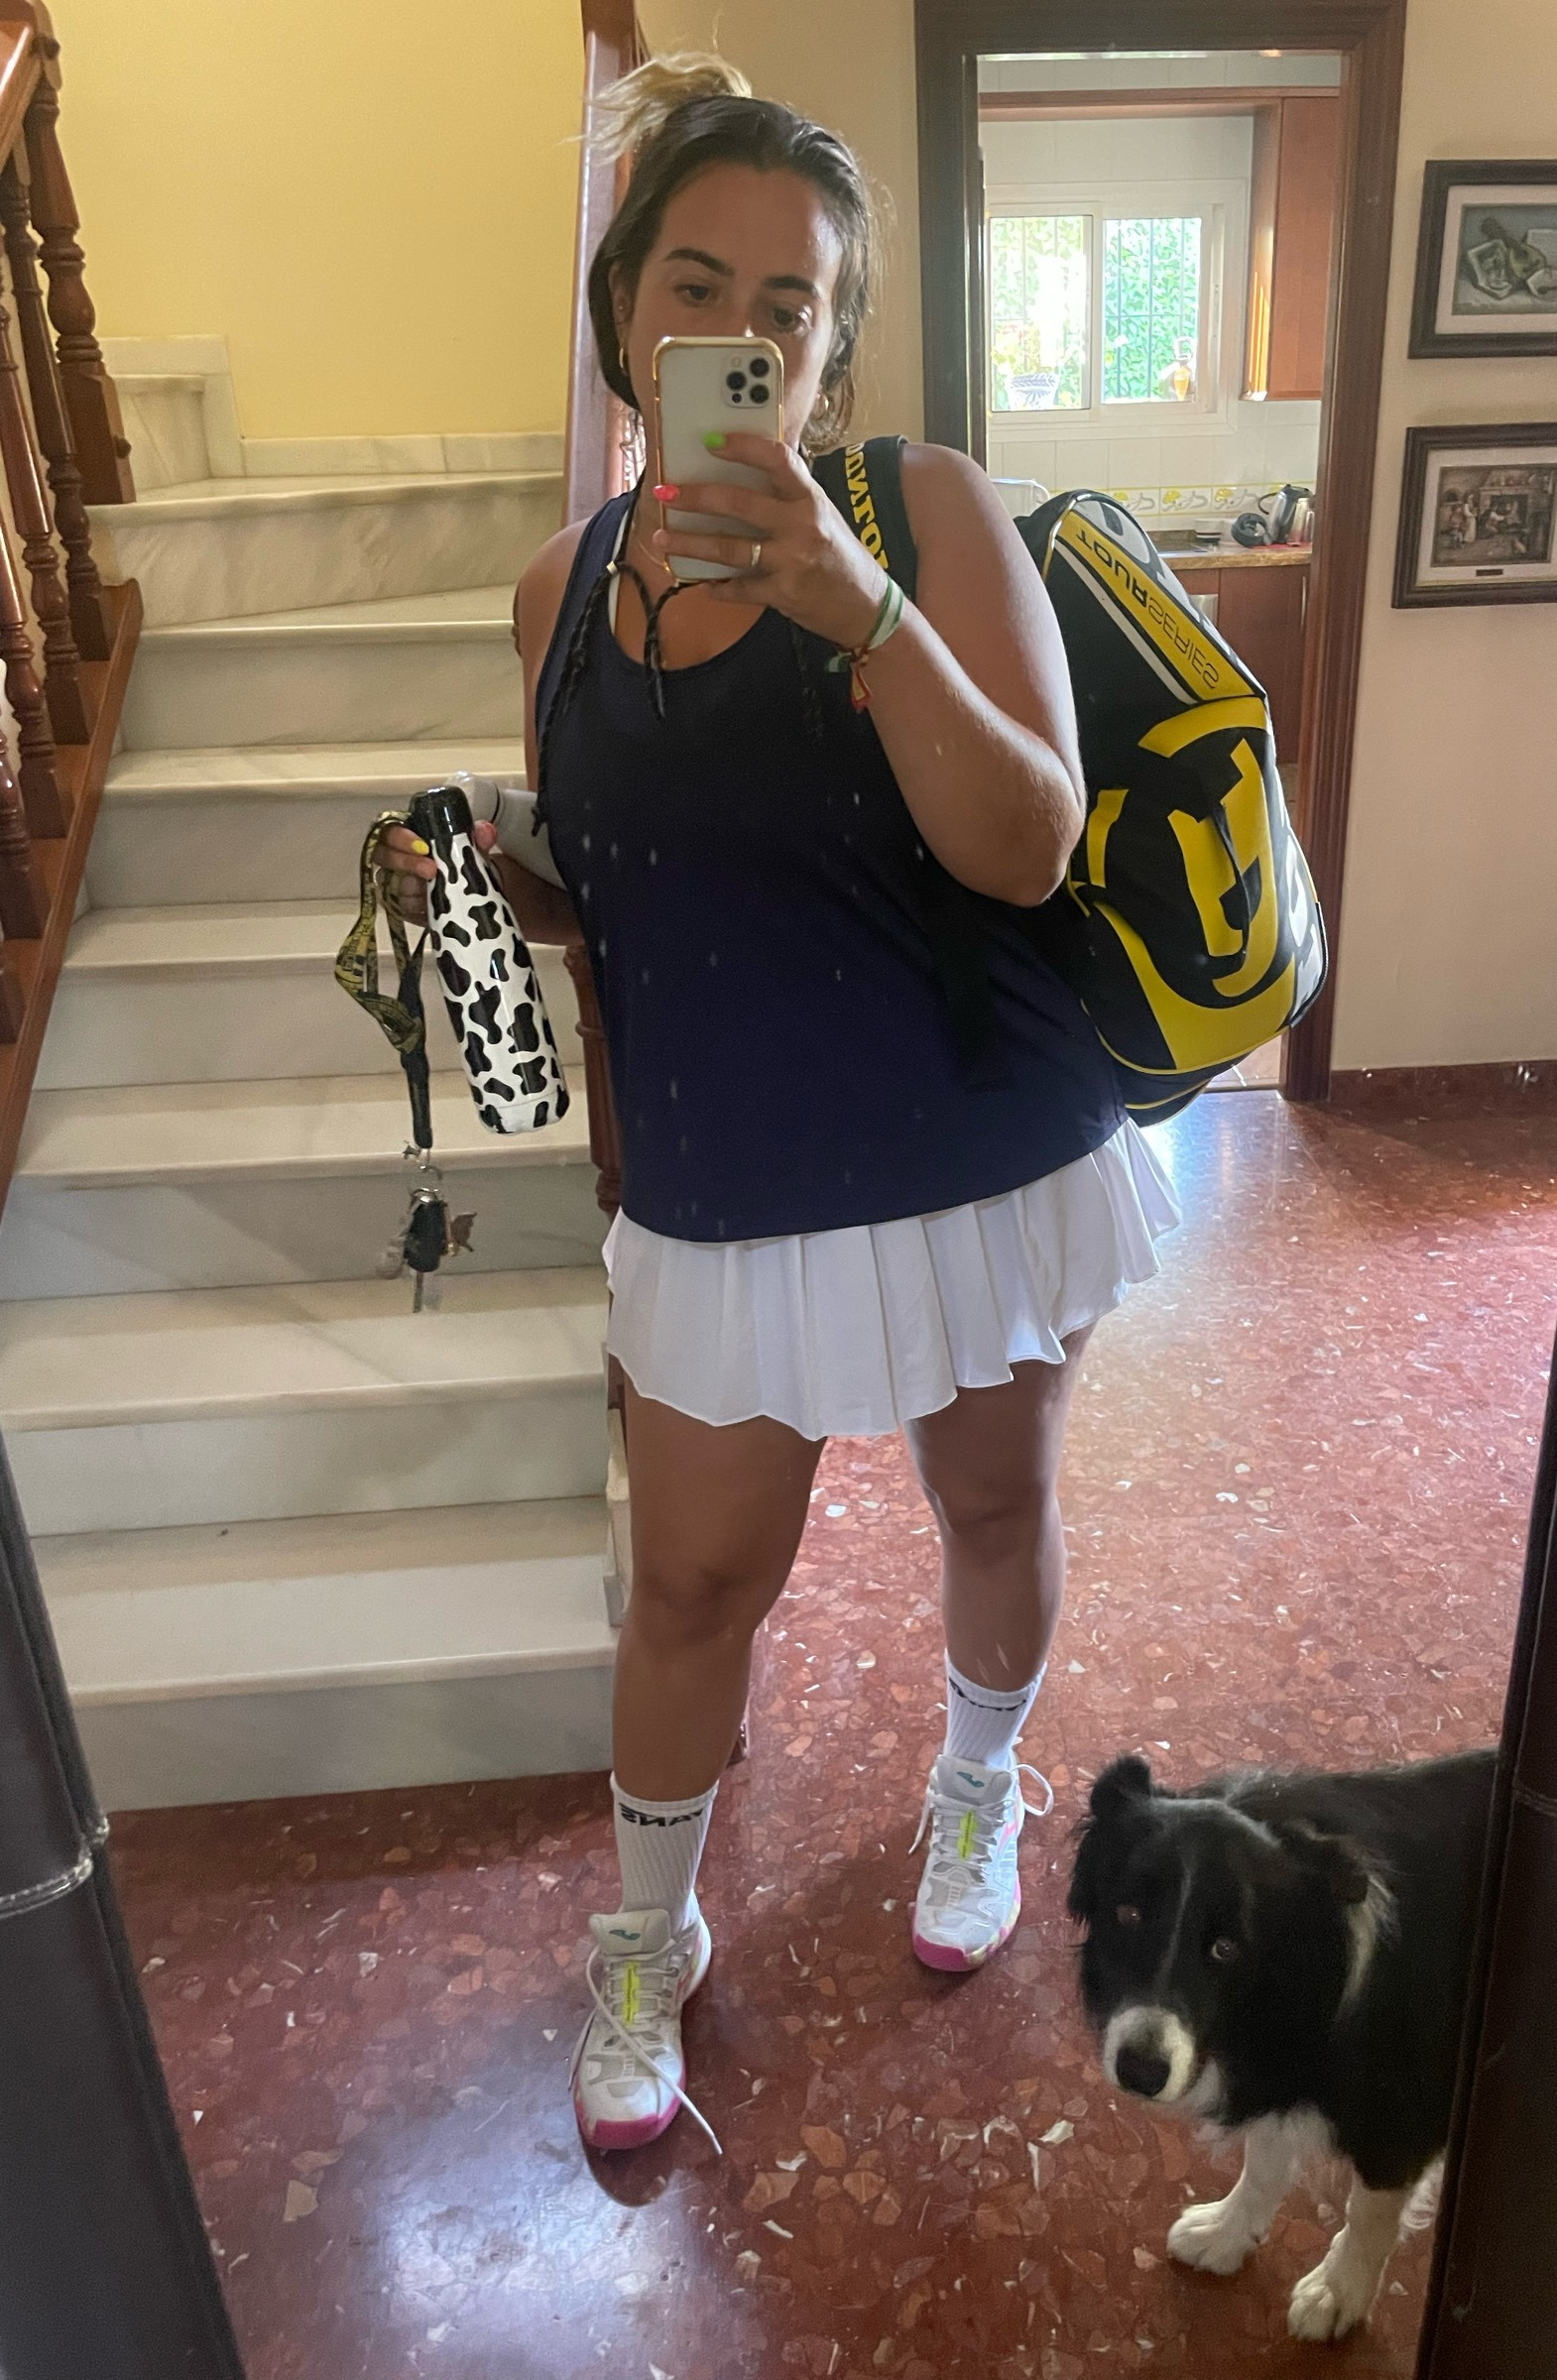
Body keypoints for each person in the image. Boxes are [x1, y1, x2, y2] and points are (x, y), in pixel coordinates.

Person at [377, 52, 1178, 2157]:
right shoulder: (556, 591)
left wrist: (861, 607)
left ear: (831, 347)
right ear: (625, 308)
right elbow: (629, 878)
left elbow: (1027, 842)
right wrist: (501, 860)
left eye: (791, 305)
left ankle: (979, 1784)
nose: (742, 331)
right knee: (689, 1589)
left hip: (970, 1141)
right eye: (698, 284)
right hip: (725, 1178)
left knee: (991, 1503)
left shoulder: (922, 510)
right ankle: (648, 1933)